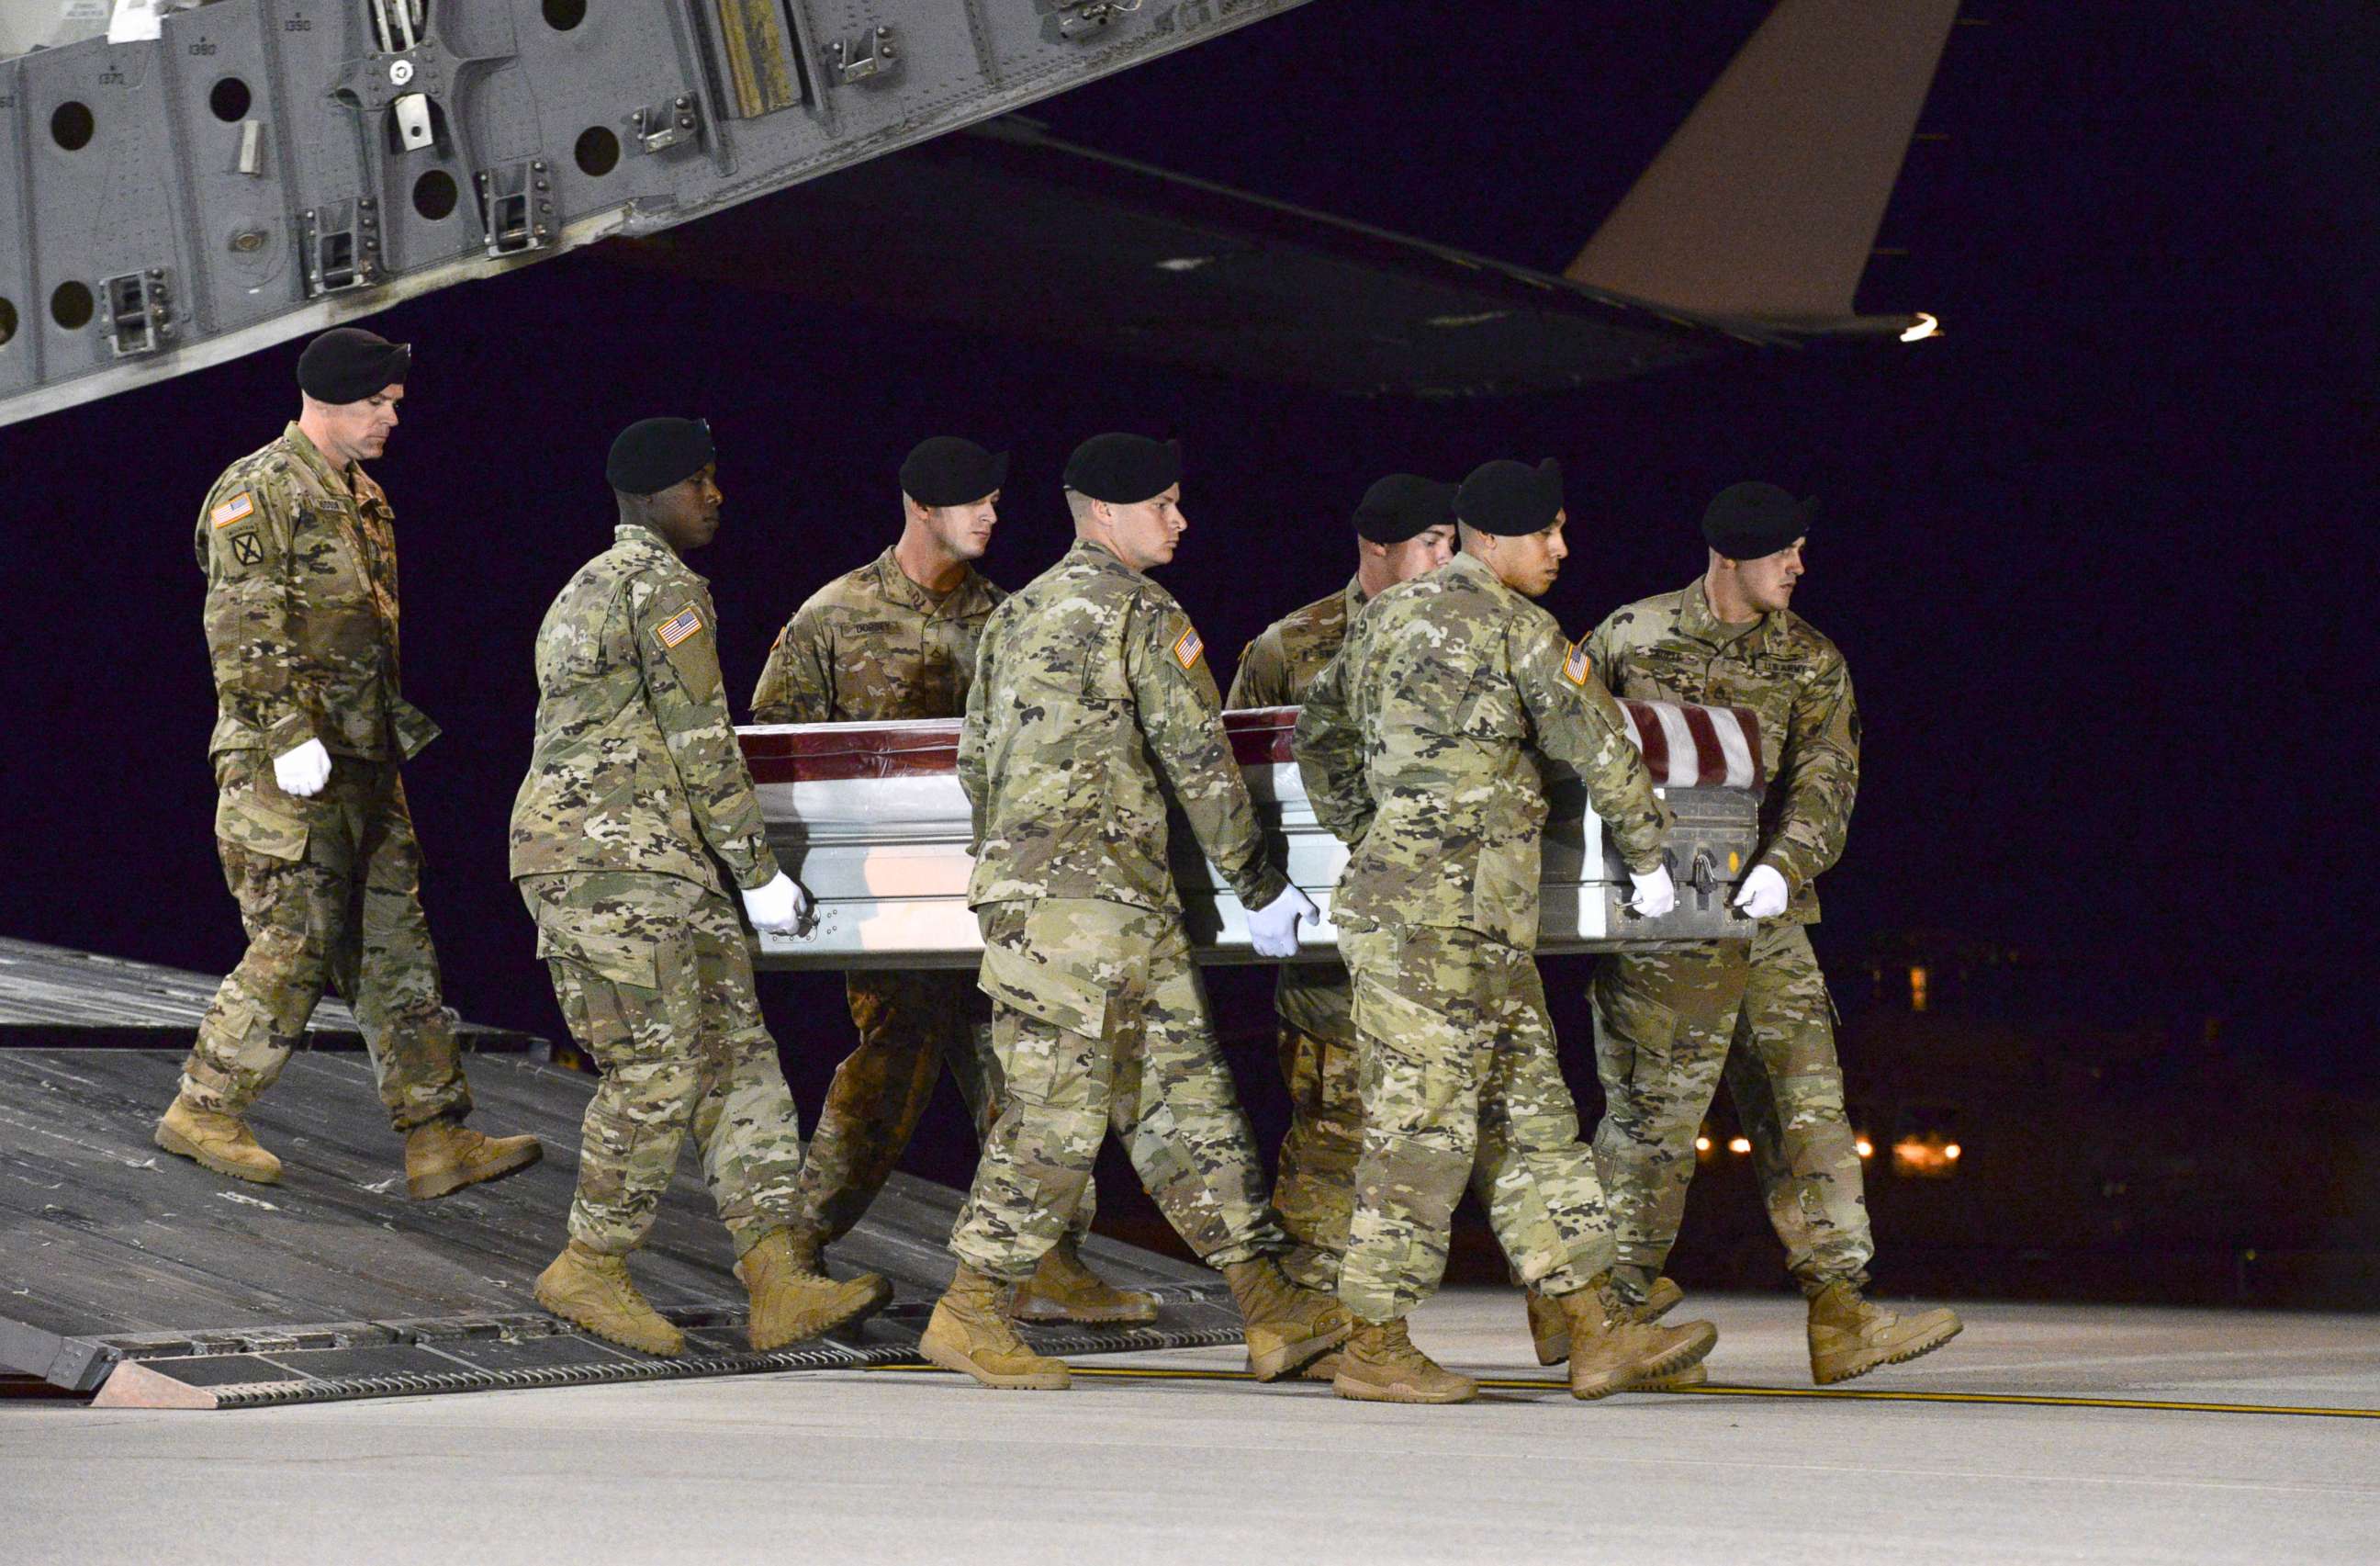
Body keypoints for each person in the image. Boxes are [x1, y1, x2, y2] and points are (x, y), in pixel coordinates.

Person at [917, 433, 1344, 1391]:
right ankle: (972, 1308)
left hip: (1081, 903)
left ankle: (1270, 1305)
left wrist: (1018, 870)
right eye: (1165, 504)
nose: (1181, 521)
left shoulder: (1016, 617)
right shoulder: (1142, 611)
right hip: (1091, 907)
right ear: (1108, 514)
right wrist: (1261, 886)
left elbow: (976, 763)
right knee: (1057, 1112)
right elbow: (1200, 760)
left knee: (1185, 1100)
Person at [1294, 457, 1717, 1404]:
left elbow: (1316, 733)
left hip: (1464, 921)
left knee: (1536, 1122)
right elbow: (1601, 746)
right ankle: (1372, 1337)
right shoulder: (1521, 630)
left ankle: (1593, 1325)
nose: (1561, 550)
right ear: (1492, 539)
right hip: (1433, 926)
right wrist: (1649, 862)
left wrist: (1368, 825)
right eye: (1547, 534)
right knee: (1425, 1127)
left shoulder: (1384, 619)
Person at [749, 435, 1152, 1325]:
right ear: (922, 508)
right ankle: (795, 1248)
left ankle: (1050, 1257)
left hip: (997, 890)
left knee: (1032, 1073)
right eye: (974, 501)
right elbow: (773, 755)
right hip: (889, 901)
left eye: (998, 500)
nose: (993, 516)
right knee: (891, 1069)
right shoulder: (832, 618)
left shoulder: (1009, 620)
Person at [512, 416, 888, 1358]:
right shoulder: (661, 587)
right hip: (613, 863)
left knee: (738, 1058)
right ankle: (588, 1264)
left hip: (656, 859)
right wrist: (760, 875)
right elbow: (699, 739)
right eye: (700, 481)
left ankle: (775, 1278)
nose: (716, 495)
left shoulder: (584, 588)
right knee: (658, 1066)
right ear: (652, 496)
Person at [1577, 479, 1960, 1385]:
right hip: (1659, 921)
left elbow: (1829, 779)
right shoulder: (1629, 638)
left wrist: (1785, 867)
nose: (1798, 565)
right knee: (1650, 1123)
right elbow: (1566, 749)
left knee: (1807, 1102)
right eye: (1782, 551)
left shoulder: (1812, 660)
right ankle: (1608, 1315)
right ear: (1729, 557)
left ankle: (1841, 1310)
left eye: (1800, 550)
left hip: (1766, 915)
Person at [157, 327, 541, 1199]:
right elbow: (242, 624)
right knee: (296, 937)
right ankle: (205, 1106)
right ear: (330, 401)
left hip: (365, 757)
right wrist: (288, 735)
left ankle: (435, 1134)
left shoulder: (363, 496)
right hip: (284, 764)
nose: (391, 417)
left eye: (394, 403)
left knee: (395, 943)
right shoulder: (259, 490)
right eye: (378, 403)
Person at [1225, 473, 1456, 1292]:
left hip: (1442, 933)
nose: (1445, 559)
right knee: (1334, 1128)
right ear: (1375, 549)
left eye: (1452, 541)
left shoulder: (1465, 633)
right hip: (1330, 943)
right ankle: (1307, 1308)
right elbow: (1237, 782)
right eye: (1429, 543)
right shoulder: (1292, 646)